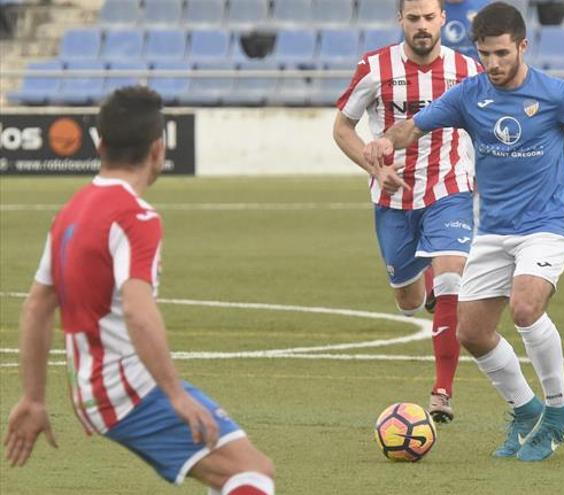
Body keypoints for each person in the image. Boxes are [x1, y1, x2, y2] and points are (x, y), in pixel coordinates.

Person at [363, 2, 564, 461]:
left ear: (522, 46)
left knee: (525, 308)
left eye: (502, 53)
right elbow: (415, 127)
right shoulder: (470, 95)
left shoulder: (553, 93)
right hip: (493, 229)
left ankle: (559, 411)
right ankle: (525, 410)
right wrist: (388, 138)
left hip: (546, 225)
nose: (493, 64)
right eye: (485, 54)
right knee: (472, 332)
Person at [3, 87, 275, 493]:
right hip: (126, 386)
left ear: (99, 145)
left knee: (239, 471)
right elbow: (137, 310)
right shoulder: (136, 217)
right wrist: (175, 395)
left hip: (98, 384)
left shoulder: (71, 210)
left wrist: (34, 398)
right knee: (249, 473)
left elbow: (37, 307)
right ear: (158, 149)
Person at [332, 0, 482, 424]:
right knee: (408, 300)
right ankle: (425, 279)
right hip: (393, 200)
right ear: (400, 20)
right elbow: (342, 127)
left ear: (442, 20)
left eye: (429, 18)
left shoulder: (467, 71)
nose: (421, 26)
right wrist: (373, 165)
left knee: (454, 277)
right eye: (413, 18)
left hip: (449, 188)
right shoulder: (375, 66)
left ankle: (442, 392)